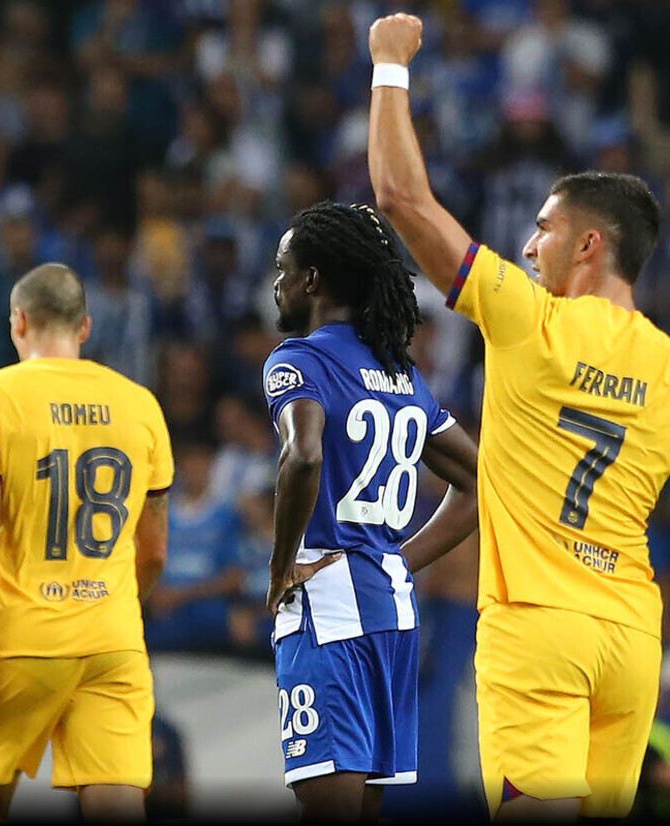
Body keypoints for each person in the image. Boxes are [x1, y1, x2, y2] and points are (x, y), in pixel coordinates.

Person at [365, 13, 670, 821]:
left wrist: (389, 65)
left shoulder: (526, 319)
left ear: (589, 246)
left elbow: (401, 197)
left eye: (543, 227)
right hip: (631, 644)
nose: (529, 247)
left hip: (537, 632)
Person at [262, 201, 480, 822]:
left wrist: (280, 569)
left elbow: (302, 455)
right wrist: (398, 561)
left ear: (312, 280)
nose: (276, 282)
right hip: (392, 612)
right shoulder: (401, 374)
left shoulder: (298, 360)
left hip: (326, 607)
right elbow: (478, 481)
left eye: (283, 268)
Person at [0, 263, 174, 822]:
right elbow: (156, 550)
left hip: (20, 642)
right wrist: (107, 603)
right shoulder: (142, 405)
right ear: (84, 327)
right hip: (113, 642)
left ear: (18, 321)